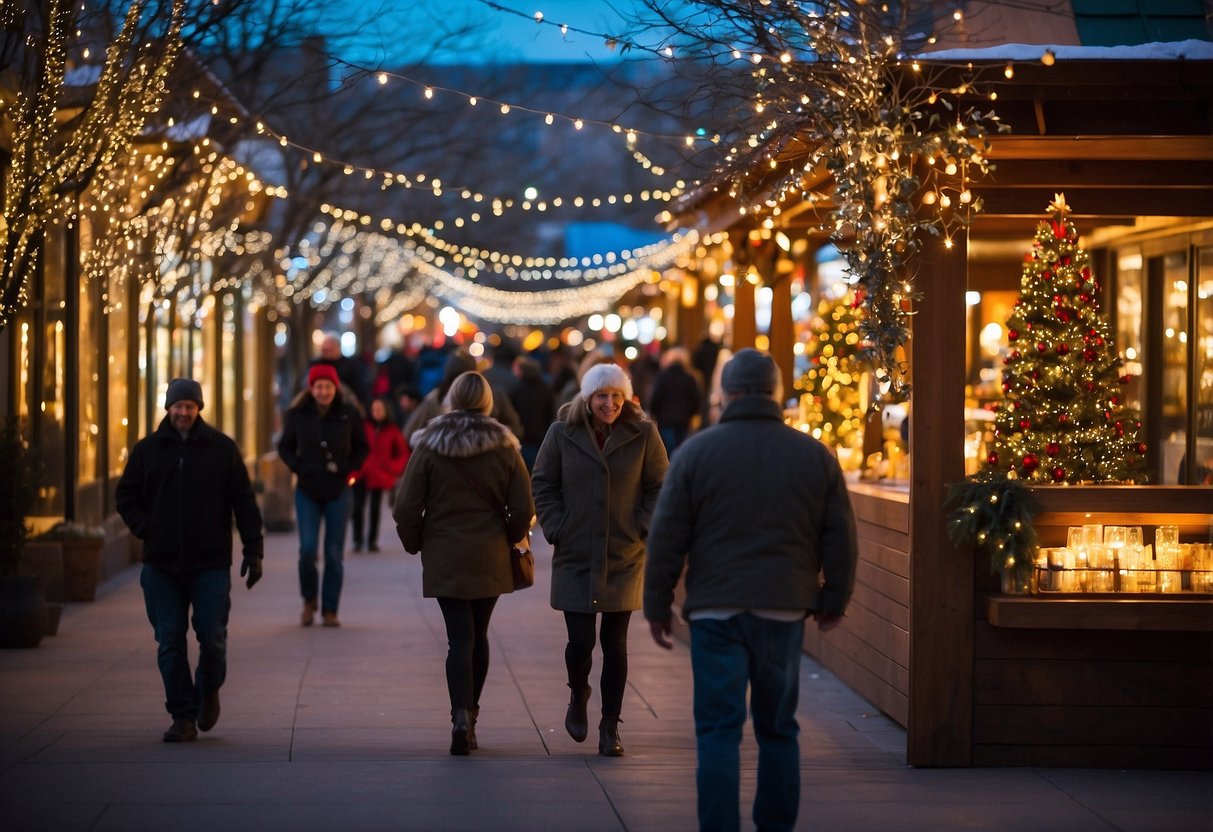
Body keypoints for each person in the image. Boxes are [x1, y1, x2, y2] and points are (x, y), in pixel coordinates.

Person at [643, 348, 859, 832]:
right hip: (782, 608)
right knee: (778, 729)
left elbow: (667, 535)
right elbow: (840, 535)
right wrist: (833, 598)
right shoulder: (813, 455)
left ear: (725, 393)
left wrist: (657, 605)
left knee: (718, 731)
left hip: (715, 609)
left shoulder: (696, 452)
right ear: (777, 394)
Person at [393, 371, 534, 755]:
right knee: (480, 632)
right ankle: (471, 714)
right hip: (489, 552)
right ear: (488, 401)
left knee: (459, 637)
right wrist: (510, 536)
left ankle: (457, 713)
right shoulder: (504, 446)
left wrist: (415, 542)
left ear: (452, 400)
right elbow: (523, 505)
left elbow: (406, 504)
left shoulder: (429, 444)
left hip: (445, 551)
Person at [116, 378, 264, 743]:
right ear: (168, 408)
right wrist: (145, 527)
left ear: (199, 408)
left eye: (190, 406)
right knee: (169, 639)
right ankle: (182, 715)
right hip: (161, 564)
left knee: (212, 637)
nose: (183, 412)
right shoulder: (148, 450)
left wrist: (253, 550)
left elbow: (243, 502)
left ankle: (208, 688)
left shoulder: (222, 449)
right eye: (177, 406)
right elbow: (126, 495)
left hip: (210, 561)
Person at [531, 362, 669, 757]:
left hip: (623, 553)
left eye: (616, 396)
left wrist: (641, 527)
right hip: (576, 551)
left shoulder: (643, 434)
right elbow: (543, 482)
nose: (609, 403)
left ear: (626, 398)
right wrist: (556, 525)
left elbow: (661, 486)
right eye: (602, 396)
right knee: (580, 641)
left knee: (615, 643)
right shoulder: (562, 433)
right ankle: (578, 691)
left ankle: (610, 724)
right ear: (588, 398)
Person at [277, 363, 369, 627]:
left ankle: (330, 609)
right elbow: (285, 446)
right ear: (311, 388)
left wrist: (350, 468)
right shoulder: (298, 414)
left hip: (338, 490)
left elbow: (363, 447)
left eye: (328, 386)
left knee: (333, 553)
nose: (323, 391)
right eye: (319, 386)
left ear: (335, 388)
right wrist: (298, 467)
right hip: (307, 489)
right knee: (307, 549)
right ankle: (309, 600)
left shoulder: (348, 414)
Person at [351, 397, 409, 552]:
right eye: (374, 409)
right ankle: (357, 540)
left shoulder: (392, 430)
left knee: (375, 509)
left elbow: (402, 454)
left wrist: (390, 467)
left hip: (379, 475)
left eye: (380, 410)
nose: (377, 413)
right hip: (361, 473)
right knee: (358, 507)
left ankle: (371, 541)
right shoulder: (362, 427)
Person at [648, 346, 704, 456]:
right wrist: (693, 413)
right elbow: (695, 398)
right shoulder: (689, 378)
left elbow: (656, 397)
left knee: (668, 450)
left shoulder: (662, 377)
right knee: (682, 449)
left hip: (665, 420)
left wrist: (654, 413)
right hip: (684, 420)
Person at [508, 355, 556, 472]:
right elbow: (550, 413)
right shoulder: (546, 389)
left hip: (524, 437)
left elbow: (513, 414)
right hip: (542, 436)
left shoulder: (517, 390)